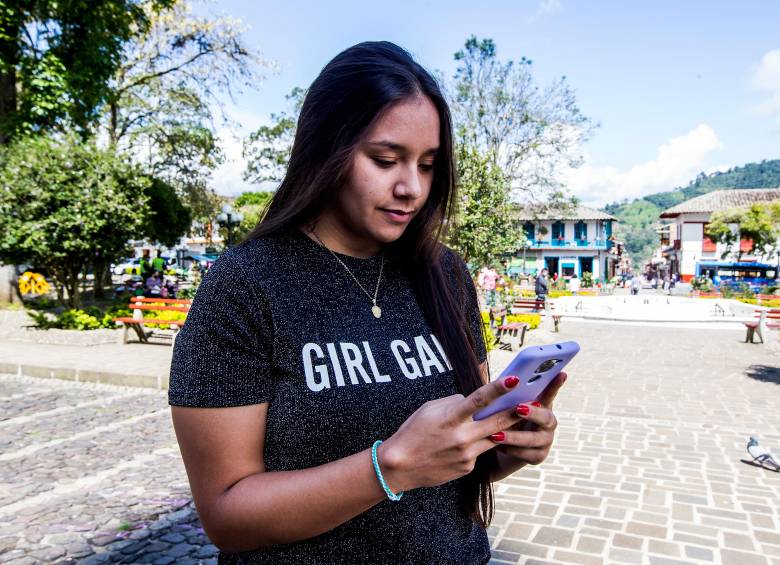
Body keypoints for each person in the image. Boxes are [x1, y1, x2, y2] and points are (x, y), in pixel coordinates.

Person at [168, 42, 566, 564]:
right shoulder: (246, 286)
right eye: (385, 160)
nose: (411, 189)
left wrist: (506, 448)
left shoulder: (445, 274)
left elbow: (452, 466)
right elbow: (226, 515)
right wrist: (388, 467)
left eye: (427, 166)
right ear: (325, 150)